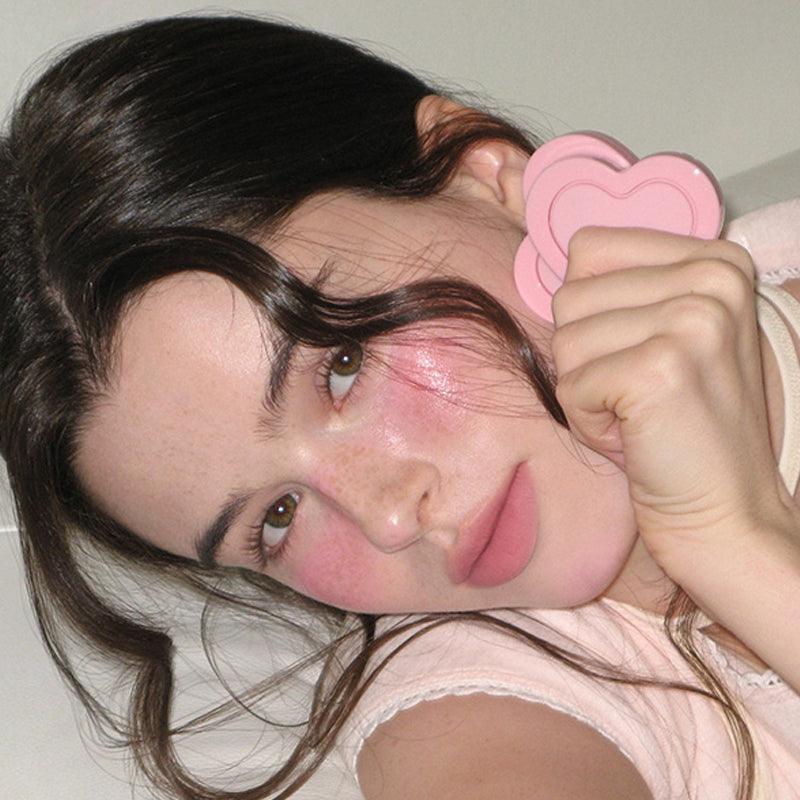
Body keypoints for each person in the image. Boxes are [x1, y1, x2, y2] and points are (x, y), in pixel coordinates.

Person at [1, 13, 798, 800]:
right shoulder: (480, 709)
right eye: (276, 516)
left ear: (484, 174)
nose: (386, 518)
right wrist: (732, 539)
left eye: (342, 364)